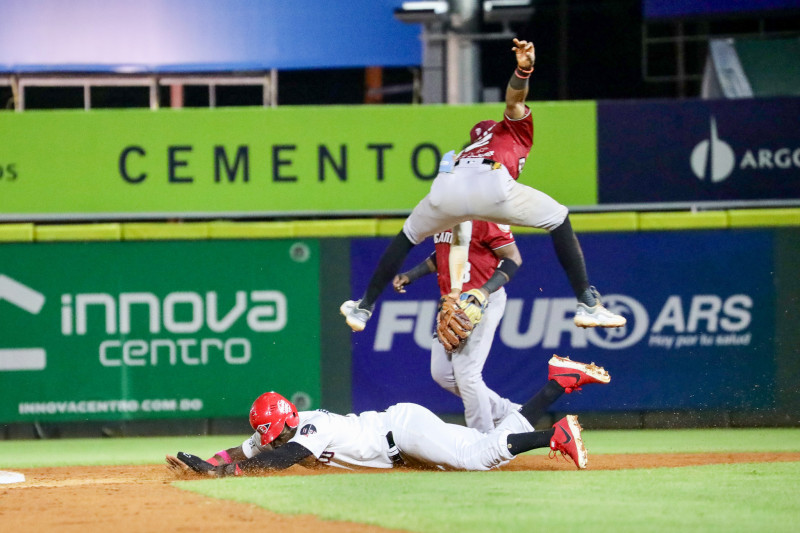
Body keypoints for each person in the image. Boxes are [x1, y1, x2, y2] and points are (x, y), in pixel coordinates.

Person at [340, 38, 625, 333]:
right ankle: (588, 304)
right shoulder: (509, 129)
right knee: (559, 218)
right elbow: (514, 99)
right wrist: (523, 70)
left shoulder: (468, 148)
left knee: (407, 237)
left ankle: (363, 307)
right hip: (491, 181)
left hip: (448, 184)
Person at [165, 355, 610, 476]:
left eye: (275, 433)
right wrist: (207, 465)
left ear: (287, 422)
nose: (272, 441)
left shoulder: (308, 428)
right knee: (483, 445)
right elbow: (245, 449)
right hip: (400, 434)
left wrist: (230, 475)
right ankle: (558, 382)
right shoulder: (278, 431)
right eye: (268, 435)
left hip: (403, 433)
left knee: (479, 458)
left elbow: (279, 459)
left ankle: (554, 435)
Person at [392, 220, 522, 433]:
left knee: (467, 375)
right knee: (442, 373)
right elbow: (441, 256)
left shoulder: (484, 216)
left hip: (480, 300)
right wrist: (411, 275)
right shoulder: (446, 215)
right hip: (452, 302)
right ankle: (506, 412)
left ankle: (485, 439)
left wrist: (485, 292)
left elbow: (512, 258)